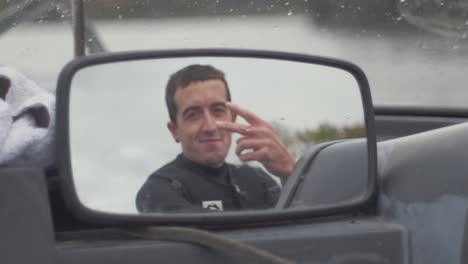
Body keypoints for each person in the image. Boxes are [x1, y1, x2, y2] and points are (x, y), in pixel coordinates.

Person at [136, 64, 296, 212]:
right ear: (175, 130)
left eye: (218, 110)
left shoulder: (257, 180)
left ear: (232, 120)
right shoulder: (158, 188)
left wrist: (289, 172)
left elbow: (298, 228)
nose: (210, 127)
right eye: (193, 114)